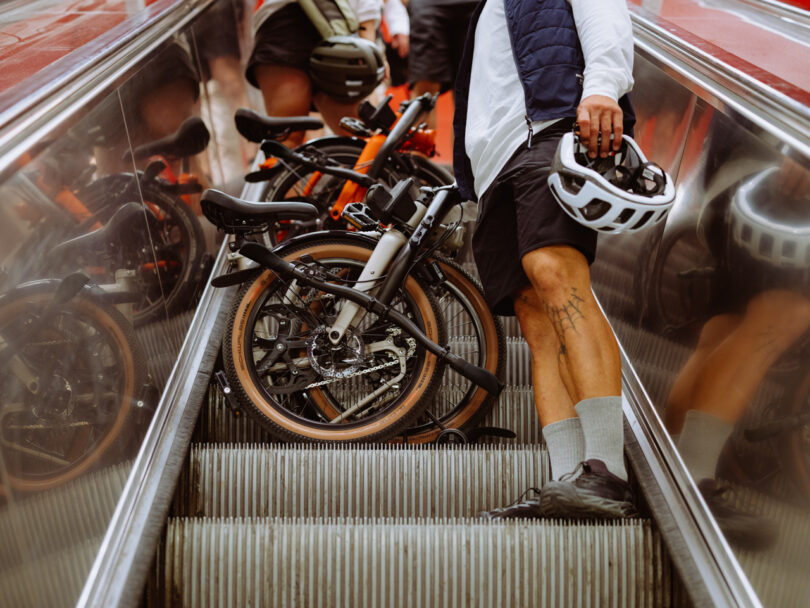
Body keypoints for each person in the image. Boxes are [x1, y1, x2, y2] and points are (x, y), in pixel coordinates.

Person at [452, 0, 638, 519]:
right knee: (535, 320)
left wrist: (603, 87)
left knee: (556, 274)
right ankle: (567, 480)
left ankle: (606, 471)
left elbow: (604, 15)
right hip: (493, 165)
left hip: (549, 134)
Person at [246, 0, 382, 147]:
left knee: (359, 140)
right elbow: (366, 9)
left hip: (307, 26)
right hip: (299, 24)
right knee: (359, 141)